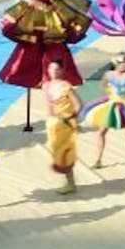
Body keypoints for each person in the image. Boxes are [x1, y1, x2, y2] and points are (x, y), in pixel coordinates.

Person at [0, 0, 91, 91]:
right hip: (36, 14)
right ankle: (31, 75)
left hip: (53, 12)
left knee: (56, 44)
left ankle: (55, 75)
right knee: (33, 45)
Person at [42, 60, 82, 194]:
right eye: (50, 69)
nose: (53, 72)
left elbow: (78, 104)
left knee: (64, 154)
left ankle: (71, 184)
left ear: (61, 71)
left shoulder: (66, 86)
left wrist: (71, 118)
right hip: (52, 123)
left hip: (64, 124)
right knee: (56, 152)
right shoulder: (46, 85)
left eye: (56, 69)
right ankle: (68, 181)